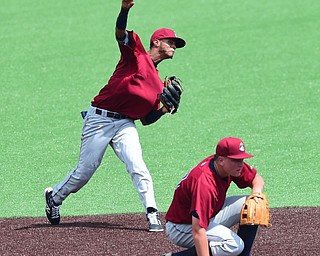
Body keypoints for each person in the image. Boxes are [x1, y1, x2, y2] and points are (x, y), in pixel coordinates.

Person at [44, 0, 186, 232]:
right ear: (156, 42)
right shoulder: (136, 54)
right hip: (99, 119)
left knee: (137, 165)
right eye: (171, 41)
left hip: (124, 124)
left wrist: (163, 109)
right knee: (85, 171)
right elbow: (120, 33)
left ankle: (152, 214)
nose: (174, 46)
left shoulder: (159, 86)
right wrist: (125, 9)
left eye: (176, 44)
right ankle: (54, 197)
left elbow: (146, 119)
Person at [162, 137, 265, 255]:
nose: (241, 164)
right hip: (182, 226)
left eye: (241, 159)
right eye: (236, 160)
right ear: (221, 160)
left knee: (252, 204)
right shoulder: (205, 183)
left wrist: (256, 194)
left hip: (208, 214)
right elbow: (198, 230)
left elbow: (257, 179)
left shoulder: (226, 165)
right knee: (234, 245)